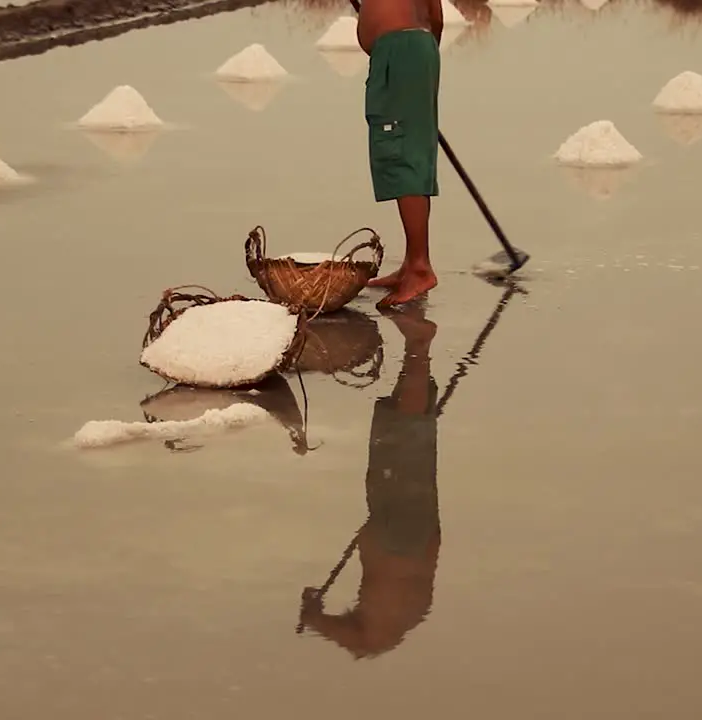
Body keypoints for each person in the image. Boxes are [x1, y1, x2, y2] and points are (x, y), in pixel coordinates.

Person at [298, 305, 442, 658]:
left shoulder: (401, 617)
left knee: (406, 444)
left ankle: (418, 349)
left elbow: (367, 642)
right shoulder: (399, 618)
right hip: (401, 536)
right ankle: (417, 352)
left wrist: (319, 622)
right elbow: (367, 642)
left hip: (403, 536)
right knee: (404, 442)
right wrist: (317, 619)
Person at [356, 0, 444, 308]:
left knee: (401, 154)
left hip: (402, 50)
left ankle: (420, 267)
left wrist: (408, 63)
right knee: (411, 152)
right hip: (415, 48)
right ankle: (412, 263)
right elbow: (436, 15)